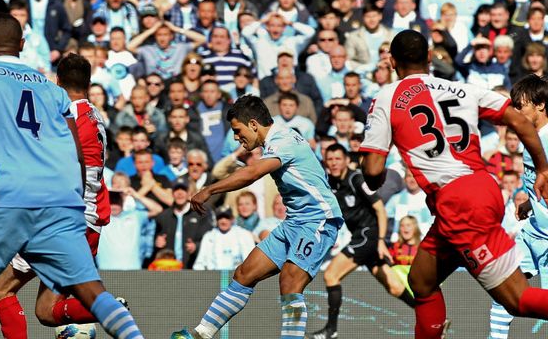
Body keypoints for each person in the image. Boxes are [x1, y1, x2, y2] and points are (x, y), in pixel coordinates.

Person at [0, 14, 142, 339]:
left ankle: (103, 311)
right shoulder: (89, 112)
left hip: (39, 206)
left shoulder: (36, 99)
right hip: (80, 214)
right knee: (48, 311)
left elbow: (34, 161)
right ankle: (110, 312)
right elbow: (71, 159)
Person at [361, 30, 548, 339]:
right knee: (421, 281)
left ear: (392, 61)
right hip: (477, 189)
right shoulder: (462, 88)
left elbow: (373, 170)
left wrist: (372, 173)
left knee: (516, 300)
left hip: (459, 203)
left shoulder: (387, 97)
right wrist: (542, 167)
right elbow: (517, 119)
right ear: (429, 58)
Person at [174, 95, 343, 339]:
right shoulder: (278, 139)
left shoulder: (283, 140)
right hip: (295, 222)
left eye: (237, 130)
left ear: (254, 124)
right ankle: (201, 335)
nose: (236, 137)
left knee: (290, 281)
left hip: (319, 220)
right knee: (244, 273)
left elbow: (252, 173)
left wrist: (209, 189)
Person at [311, 144, 412, 339]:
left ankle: (331, 331)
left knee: (331, 275)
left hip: (369, 236)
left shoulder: (356, 179)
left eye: (338, 159)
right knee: (394, 287)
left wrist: (381, 240)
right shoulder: (330, 183)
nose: (334, 163)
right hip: (361, 238)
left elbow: (380, 210)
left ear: (346, 160)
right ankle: (433, 320)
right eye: (330, 160)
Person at [488, 74, 548, 339]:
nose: (516, 112)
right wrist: (529, 205)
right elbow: (536, 183)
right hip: (532, 233)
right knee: (504, 290)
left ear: (540, 105)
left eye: (520, 105)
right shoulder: (530, 138)